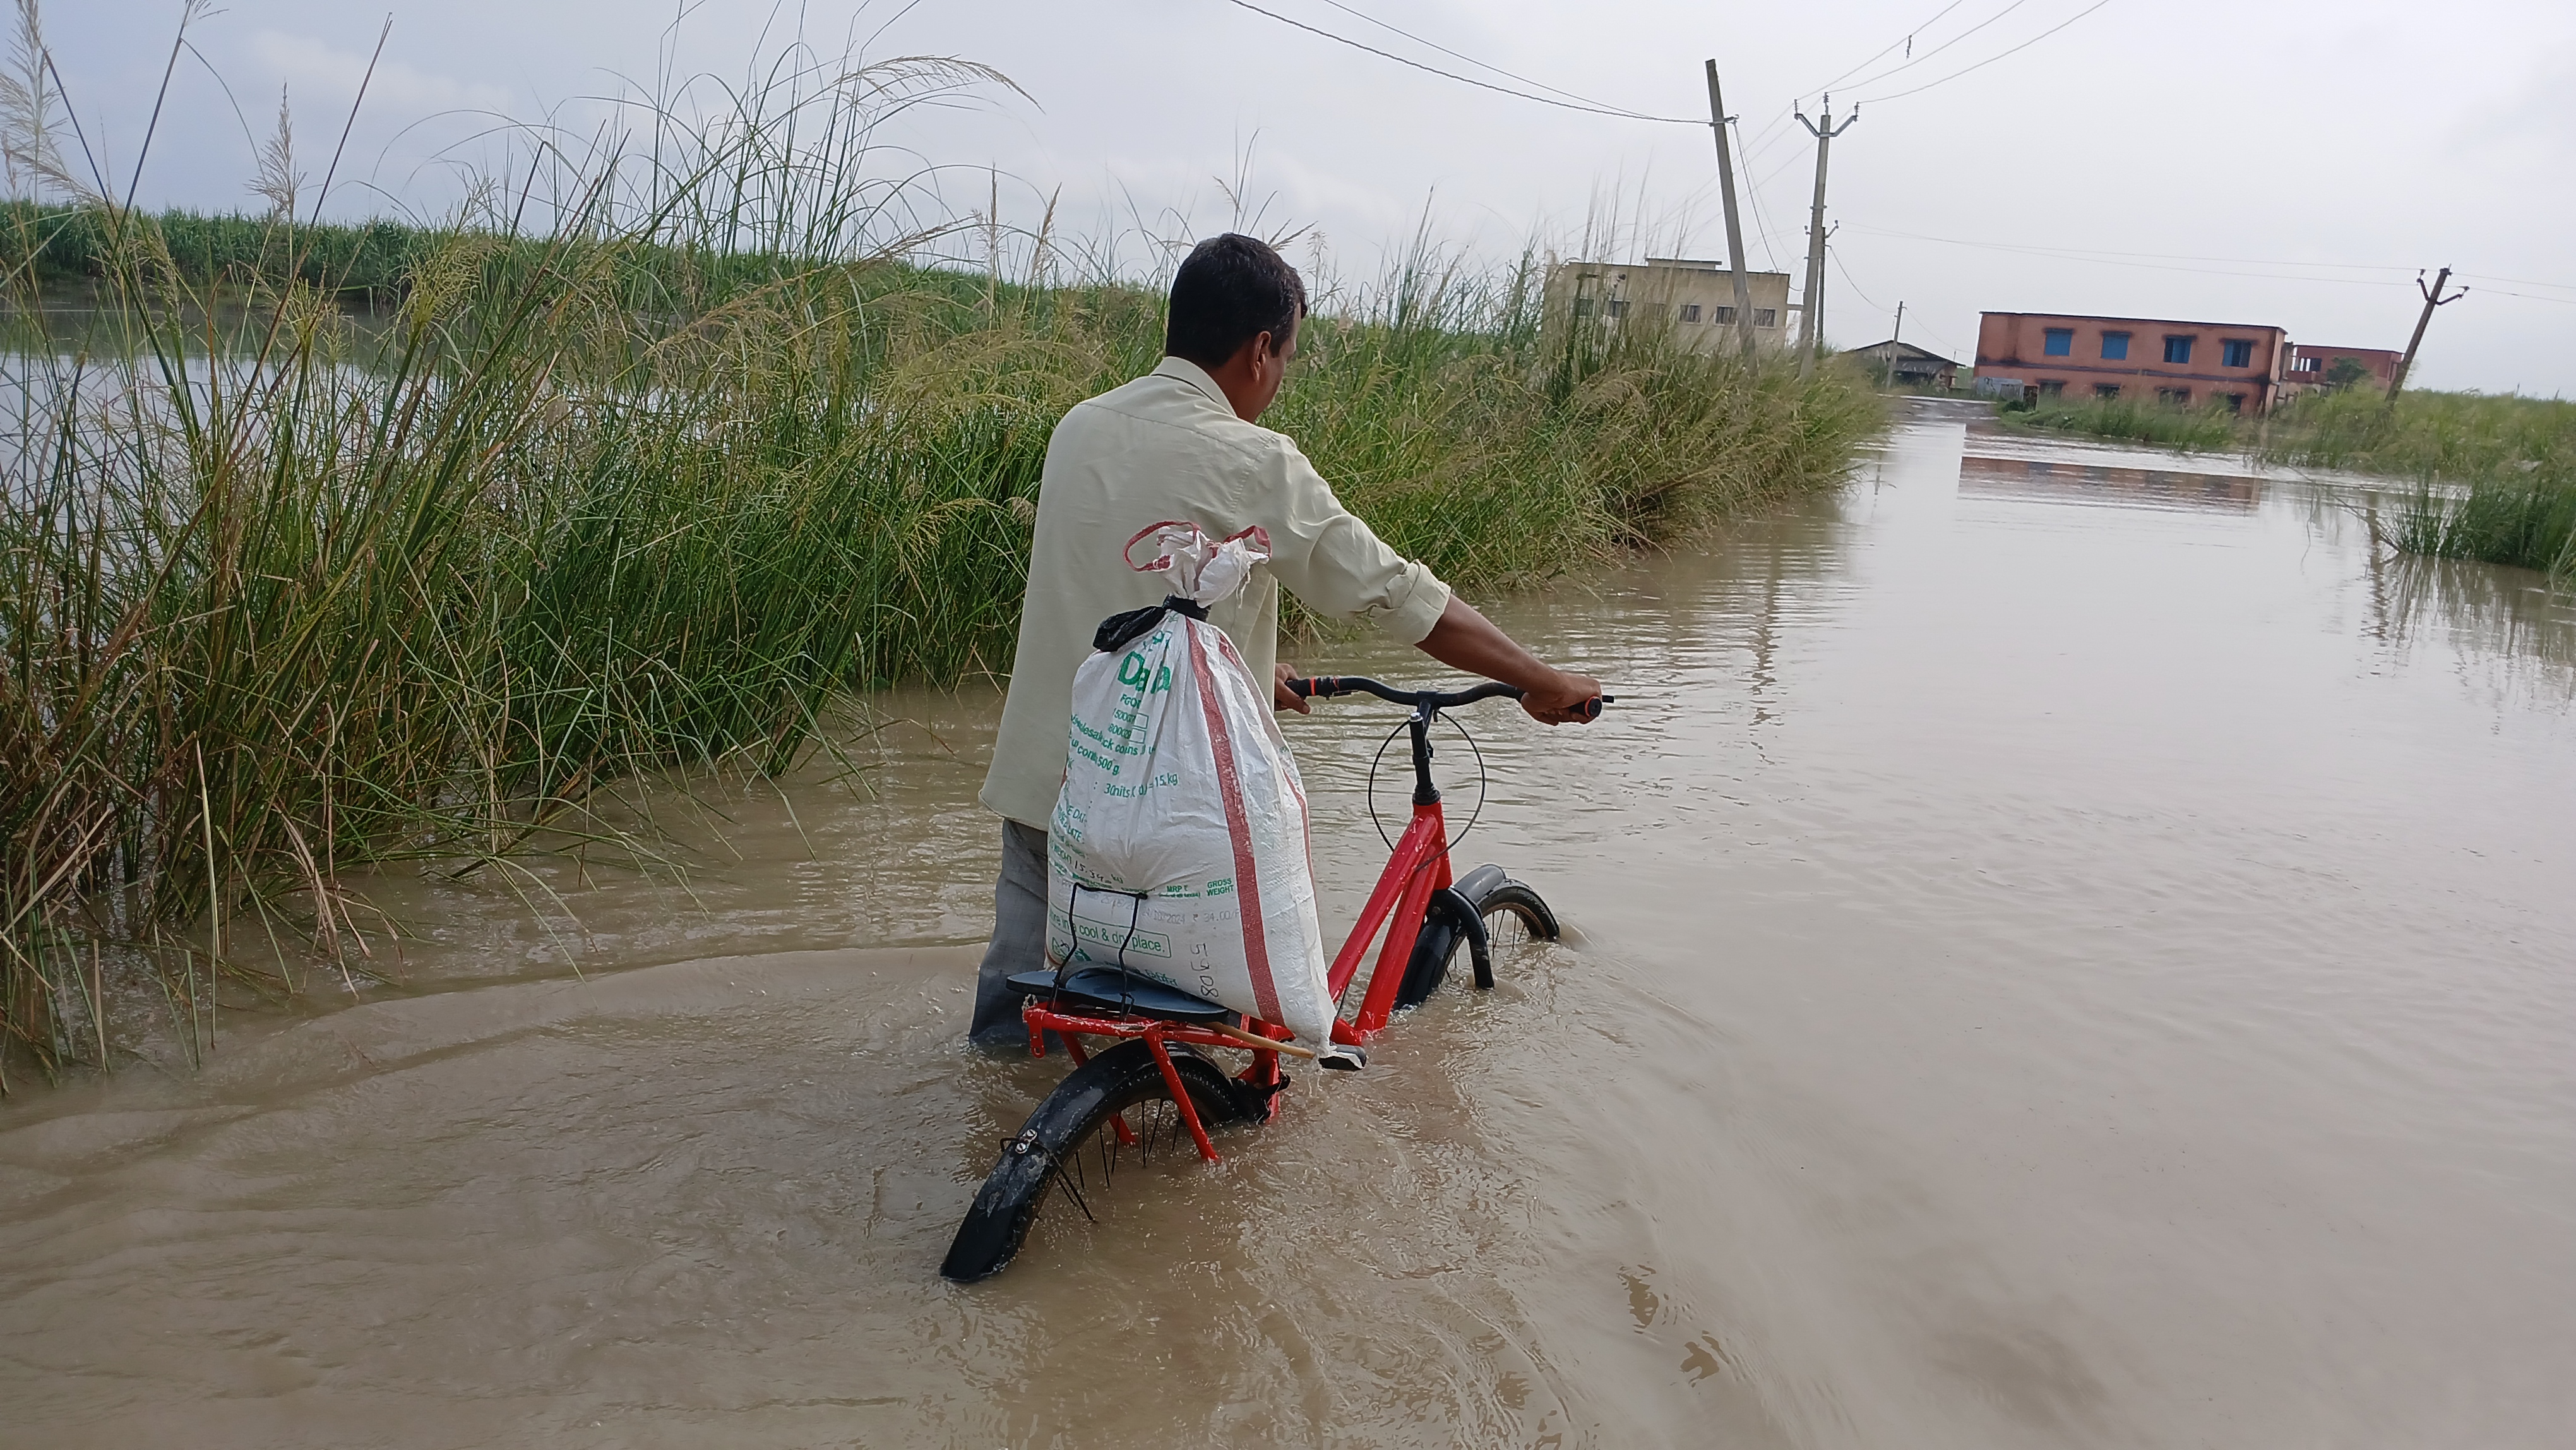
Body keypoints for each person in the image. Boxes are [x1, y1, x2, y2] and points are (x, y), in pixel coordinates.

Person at [969, 233, 1602, 1046]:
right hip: (1172, 823)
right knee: (1241, 1031)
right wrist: (1537, 678)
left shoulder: (1079, 430)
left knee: (1011, 1032)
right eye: (1289, 356)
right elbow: (1404, 598)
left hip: (1047, 787)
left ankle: (997, 1145)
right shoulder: (1257, 461)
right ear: (1261, 348)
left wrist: (1250, 669)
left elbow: (1122, 596)